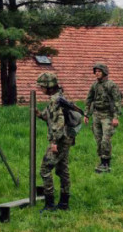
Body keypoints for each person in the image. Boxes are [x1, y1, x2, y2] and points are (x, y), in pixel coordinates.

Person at [35, 71, 74, 211]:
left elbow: (58, 122)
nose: (41, 89)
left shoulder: (55, 100)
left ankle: (49, 203)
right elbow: (50, 118)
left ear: (48, 86)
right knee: (62, 169)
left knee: (45, 169)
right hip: (67, 138)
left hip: (60, 140)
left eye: (42, 86)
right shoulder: (59, 97)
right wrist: (40, 115)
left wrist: (54, 142)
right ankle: (64, 203)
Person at [85, 63, 123, 174]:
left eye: (99, 71)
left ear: (104, 72)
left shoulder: (111, 85)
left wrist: (116, 117)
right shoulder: (94, 85)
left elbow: (118, 101)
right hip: (96, 114)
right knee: (98, 140)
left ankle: (106, 162)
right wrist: (86, 114)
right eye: (95, 71)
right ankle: (102, 161)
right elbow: (89, 99)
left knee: (105, 140)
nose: (96, 73)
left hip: (107, 115)